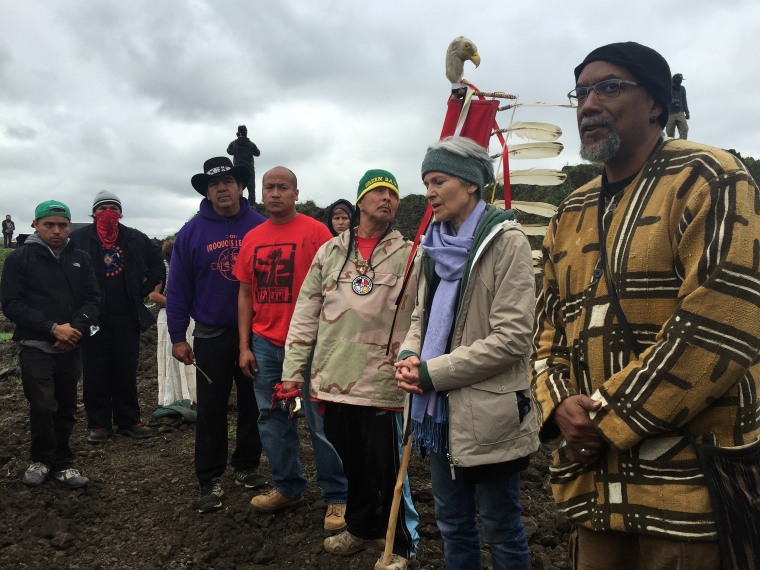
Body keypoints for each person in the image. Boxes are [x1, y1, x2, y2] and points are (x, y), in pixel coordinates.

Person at [531, 41, 760, 569]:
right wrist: (559, 401)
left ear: (655, 102)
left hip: (687, 492)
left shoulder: (711, 176)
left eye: (609, 87)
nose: (589, 104)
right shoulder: (572, 208)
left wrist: (603, 417)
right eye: (581, 92)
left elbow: (723, 319)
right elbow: (547, 328)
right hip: (593, 491)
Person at [396, 137, 539, 570]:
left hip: (490, 413)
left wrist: (431, 373)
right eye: (426, 182)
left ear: (472, 184)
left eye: (438, 180)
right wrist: (408, 353)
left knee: (501, 527)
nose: (429, 193)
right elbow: (422, 314)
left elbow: (513, 338)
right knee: (453, 525)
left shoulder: (506, 241)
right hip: (439, 417)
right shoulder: (433, 246)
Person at [282, 169, 420, 570]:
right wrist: (293, 372)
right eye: (377, 191)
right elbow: (306, 311)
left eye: (392, 193)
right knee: (351, 459)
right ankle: (362, 527)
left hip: (383, 380)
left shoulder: (412, 253)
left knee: (388, 466)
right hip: (333, 378)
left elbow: (422, 313)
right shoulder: (329, 252)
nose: (386, 198)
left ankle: (400, 544)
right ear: (359, 201)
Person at [234, 166, 348, 531]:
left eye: (283, 187)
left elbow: (336, 287)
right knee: (273, 418)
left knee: (321, 421)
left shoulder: (317, 232)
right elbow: (246, 293)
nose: (276, 193)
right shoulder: (252, 238)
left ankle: (337, 496)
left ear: (296, 193)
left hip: (312, 346)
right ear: (261, 193)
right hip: (266, 345)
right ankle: (287, 486)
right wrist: (244, 346)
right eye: (269, 187)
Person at [167, 156, 268, 513]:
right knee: (211, 408)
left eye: (227, 181)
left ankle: (246, 465)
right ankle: (208, 477)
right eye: (213, 184)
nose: (221, 188)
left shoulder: (260, 226)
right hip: (210, 334)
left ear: (240, 186)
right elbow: (177, 286)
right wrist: (178, 335)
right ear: (207, 192)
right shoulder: (191, 232)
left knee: (254, 403)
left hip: (258, 333)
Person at [1, 200, 99, 489]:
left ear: (69, 226)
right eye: (49, 225)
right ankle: (41, 459)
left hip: (71, 344)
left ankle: (63, 462)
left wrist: (75, 329)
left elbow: (93, 299)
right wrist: (53, 329)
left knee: (67, 405)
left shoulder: (80, 257)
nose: (56, 231)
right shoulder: (20, 259)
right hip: (35, 345)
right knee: (43, 405)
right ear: (35, 225)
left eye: (62, 225)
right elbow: (12, 304)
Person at [70, 190, 165, 443]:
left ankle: (129, 420)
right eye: (102, 209)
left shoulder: (134, 237)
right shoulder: (78, 238)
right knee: (95, 370)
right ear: (93, 213)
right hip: (91, 316)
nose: (107, 213)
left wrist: (141, 291)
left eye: (113, 208)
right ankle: (99, 424)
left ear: (120, 213)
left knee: (125, 368)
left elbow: (157, 263)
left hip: (126, 314)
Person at [149, 239, 196, 406]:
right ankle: (174, 397)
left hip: (190, 316)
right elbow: (154, 295)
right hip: (169, 316)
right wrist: (178, 305)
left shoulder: (188, 266)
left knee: (191, 355)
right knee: (173, 358)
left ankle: (191, 395)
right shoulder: (162, 268)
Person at [227, 125, 261, 204]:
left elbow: (229, 151)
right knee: (251, 186)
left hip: (237, 168)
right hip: (249, 168)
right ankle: (251, 204)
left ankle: (238, 203)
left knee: (238, 185)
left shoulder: (234, 143)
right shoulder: (251, 144)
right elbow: (257, 153)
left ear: (238, 133)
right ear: (246, 132)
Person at [665, 72, 689, 139]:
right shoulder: (668, 87)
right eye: (679, 80)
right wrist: (671, 101)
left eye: (681, 80)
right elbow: (664, 98)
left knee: (684, 129)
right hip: (670, 113)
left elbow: (684, 101)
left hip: (680, 112)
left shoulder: (682, 89)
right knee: (669, 133)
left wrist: (687, 112)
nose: (681, 82)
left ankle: (682, 144)